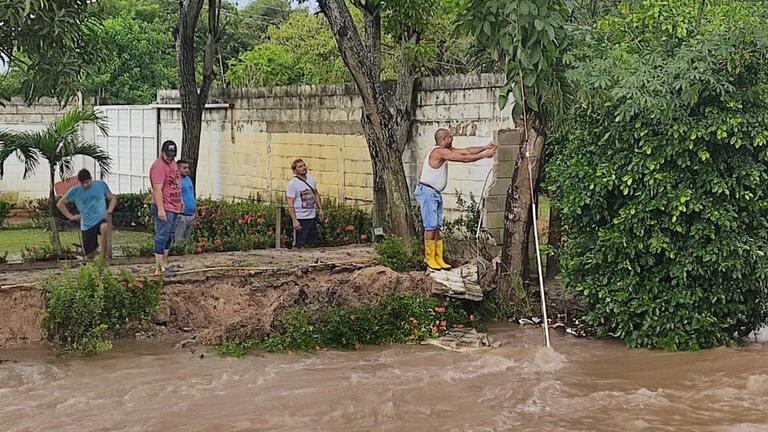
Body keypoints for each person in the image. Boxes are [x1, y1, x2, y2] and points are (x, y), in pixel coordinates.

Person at [415, 128, 496, 270]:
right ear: (443, 139)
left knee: (437, 226)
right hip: (427, 192)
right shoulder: (438, 151)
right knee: (430, 225)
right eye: (450, 137)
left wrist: (484, 147)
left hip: (434, 193)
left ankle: (438, 257)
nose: (452, 139)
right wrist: (484, 155)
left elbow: (466, 151)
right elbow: (463, 158)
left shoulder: (446, 150)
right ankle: (429, 258)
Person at [56, 169, 118, 260]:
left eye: (87, 182)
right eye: (83, 183)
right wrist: (71, 216)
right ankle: (91, 264)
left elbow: (113, 199)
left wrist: (109, 211)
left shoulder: (100, 185)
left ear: (91, 179)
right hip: (87, 224)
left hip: (101, 219)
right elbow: (60, 204)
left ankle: (103, 258)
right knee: (90, 256)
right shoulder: (75, 190)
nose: (85, 185)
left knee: (104, 227)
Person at [150, 140, 183, 276]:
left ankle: (164, 264)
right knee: (162, 236)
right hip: (165, 206)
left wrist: (180, 201)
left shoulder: (173, 163)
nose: (170, 158)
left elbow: (176, 182)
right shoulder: (158, 167)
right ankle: (158, 268)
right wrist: (160, 209)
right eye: (167, 155)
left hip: (174, 205)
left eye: (172, 155)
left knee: (170, 236)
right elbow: (157, 189)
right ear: (162, 152)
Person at [286, 158, 323, 248]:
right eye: (300, 166)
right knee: (300, 245)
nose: (303, 168)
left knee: (312, 244)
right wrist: (294, 220)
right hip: (301, 219)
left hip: (312, 217)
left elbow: (316, 194)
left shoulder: (310, 179)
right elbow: (290, 203)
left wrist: (321, 209)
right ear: (295, 171)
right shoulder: (292, 184)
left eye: (304, 165)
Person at [174, 159, 197, 242]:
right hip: (181, 215)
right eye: (184, 168)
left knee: (188, 240)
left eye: (188, 168)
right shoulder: (176, 181)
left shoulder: (189, 179)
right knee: (179, 239)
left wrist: (196, 211)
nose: (187, 170)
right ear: (178, 169)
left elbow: (192, 195)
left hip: (191, 215)